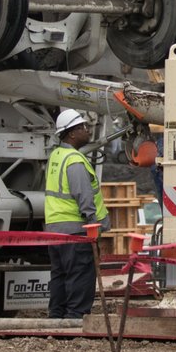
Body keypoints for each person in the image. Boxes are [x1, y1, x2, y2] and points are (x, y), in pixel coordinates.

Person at [44, 109, 108, 319]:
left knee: (60, 275)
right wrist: (93, 226)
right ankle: (75, 318)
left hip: (55, 228)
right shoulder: (75, 160)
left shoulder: (56, 156)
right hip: (76, 229)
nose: (87, 130)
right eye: (82, 127)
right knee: (80, 275)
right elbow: (84, 197)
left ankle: (56, 317)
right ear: (71, 134)